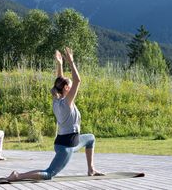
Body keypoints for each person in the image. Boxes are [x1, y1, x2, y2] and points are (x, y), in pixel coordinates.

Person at [7, 47, 104, 181]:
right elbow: (78, 81)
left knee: (91, 138)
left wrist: (60, 64)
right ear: (66, 88)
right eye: (69, 85)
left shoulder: (57, 99)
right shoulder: (67, 102)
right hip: (67, 146)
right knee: (49, 174)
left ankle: (91, 169)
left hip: (67, 141)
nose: (71, 87)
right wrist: (71, 62)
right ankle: (18, 175)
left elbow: (60, 80)